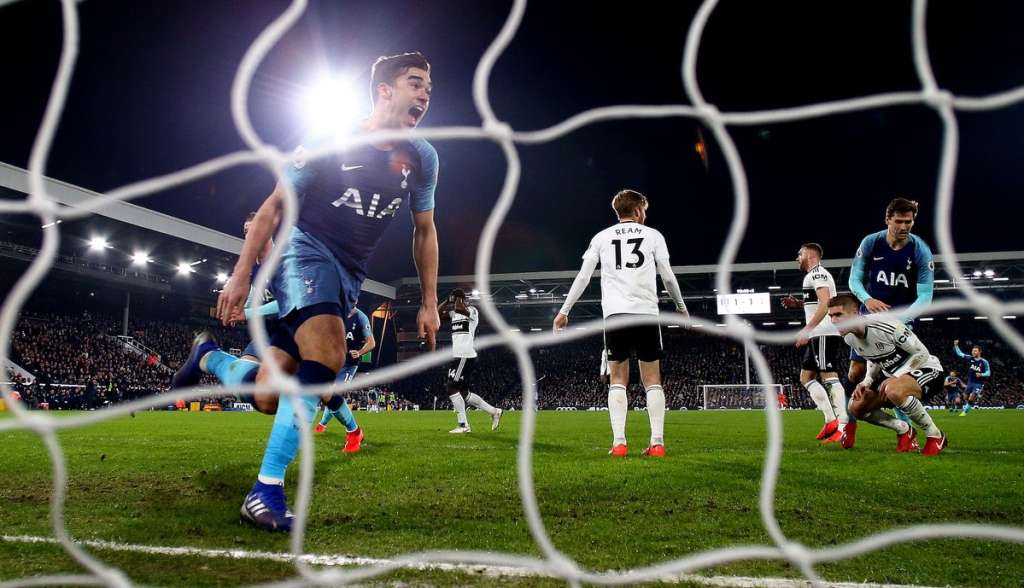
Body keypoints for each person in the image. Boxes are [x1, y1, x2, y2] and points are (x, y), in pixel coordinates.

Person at [185, 52, 440, 532]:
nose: (425, 94)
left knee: (269, 396)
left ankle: (210, 357)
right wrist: (241, 276)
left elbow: (424, 231)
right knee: (327, 355)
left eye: (429, 86)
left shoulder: (423, 157)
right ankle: (264, 493)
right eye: (415, 83)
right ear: (384, 90)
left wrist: (429, 301)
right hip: (302, 251)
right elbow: (273, 206)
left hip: (349, 274)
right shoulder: (330, 139)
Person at [554, 189, 688, 457]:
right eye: (645, 211)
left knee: (618, 379)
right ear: (637, 211)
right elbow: (668, 277)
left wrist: (564, 310)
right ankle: (658, 443)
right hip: (647, 314)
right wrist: (681, 307)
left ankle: (619, 443)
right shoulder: (654, 236)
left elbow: (583, 277)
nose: (645, 215)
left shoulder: (601, 237)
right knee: (652, 380)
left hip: (615, 315)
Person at [845, 197, 935, 447]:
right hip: (868, 319)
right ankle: (849, 425)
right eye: (899, 221)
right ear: (888, 220)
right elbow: (854, 280)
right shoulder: (871, 243)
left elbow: (925, 296)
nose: (904, 226)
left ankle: (906, 432)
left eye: (909, 221)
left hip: (900, 323)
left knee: (895, 378)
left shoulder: (920, 250)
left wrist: (898, 319)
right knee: (855, 373)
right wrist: (867, 298)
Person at [827, 294, 947, 456]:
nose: (833, 321)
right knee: (856, 407)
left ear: (855, 313)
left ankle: (935, 435)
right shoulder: (849, 338)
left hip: (928, 369)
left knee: (893, 389)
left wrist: (897, 376)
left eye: (838, 315)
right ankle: (903, 429)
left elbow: (921, 353)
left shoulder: (885, 324)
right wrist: (866, 381)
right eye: (831, 316)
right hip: (894, 379)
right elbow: (873, 357)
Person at [780, 243, 847, 443]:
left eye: (799, 254)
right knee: (806, 376)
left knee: (828, 375)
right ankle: (830, 420)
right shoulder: (813, 276)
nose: (797, 258)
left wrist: (806, 330)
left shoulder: (817, 273)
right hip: (819, 333)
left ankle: (842, 424)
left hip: (824, 331)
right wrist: (799, 304)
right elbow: (820, 301)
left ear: (810, 255)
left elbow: (827, 303)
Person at [438, 289, 502, 433]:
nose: (455, 303)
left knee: (451, 387)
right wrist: (448, 301)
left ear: (463, 299)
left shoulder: (472, 311)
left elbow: (460, 307)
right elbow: (438, 314)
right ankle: (494, 412)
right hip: (459, 356)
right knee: (464, 393)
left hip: (464, 355)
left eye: (457, 300)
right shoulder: (454, 314)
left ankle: (463, 425)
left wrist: (458, 298)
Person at [314, 307, 374, 455]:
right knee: (328, 396)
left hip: (348, 366)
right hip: (331, 362)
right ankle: (322, 425)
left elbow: (371, 342)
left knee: (333, 394)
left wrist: (359, 352)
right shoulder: (335, 312)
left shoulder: (361, 317)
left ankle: (354, 432)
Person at [952, 340, 991, 416]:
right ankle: (971, 403)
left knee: (971, 397)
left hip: (979, 383)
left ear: (980, 352)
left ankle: (965, 412)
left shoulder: (984, 362)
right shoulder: (970, 358)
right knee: (965, 396)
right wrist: (956, 346)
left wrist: (981, 374)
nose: (973, 352)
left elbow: (988, 373)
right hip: (970, 382)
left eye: (975, 351)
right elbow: (960, 354)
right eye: (973, 351)